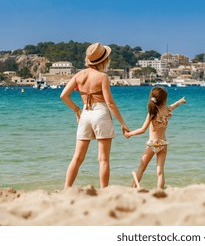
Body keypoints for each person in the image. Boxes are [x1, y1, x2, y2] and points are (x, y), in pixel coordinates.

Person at [60, 42, 130, 189]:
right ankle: (104, 191)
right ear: (104, 60)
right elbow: (110, 103)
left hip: (85, 114)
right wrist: (123, 123)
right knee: (103, 159)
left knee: (77, 157)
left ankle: (66, 189)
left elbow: (63, 96)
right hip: (101, 113)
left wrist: (77, 110)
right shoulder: (102, 77)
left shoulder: (79, 75)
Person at [124, 87, 186, 189]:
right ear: (164, 100)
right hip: (163, 144)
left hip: (153, 144)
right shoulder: (167, 110)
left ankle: (133, 188)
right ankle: (160, 191)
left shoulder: (152, 113)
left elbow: (142, 129)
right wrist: (181, 101)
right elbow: (174, 106)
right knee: (160, 171)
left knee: (141, 168)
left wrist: (129, 134)